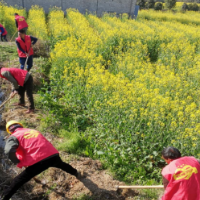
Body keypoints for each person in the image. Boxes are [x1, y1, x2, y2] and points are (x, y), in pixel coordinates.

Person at [1, 120, 83, 200]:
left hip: (39, 160)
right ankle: (76, 173)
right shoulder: (32, 130)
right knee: (62, 165)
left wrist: (16, 161)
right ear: (20, 125)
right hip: (52, 154)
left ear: (10, 131)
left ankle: (5, 197)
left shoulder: (13, 137)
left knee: (19, 180)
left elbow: (9, 150)